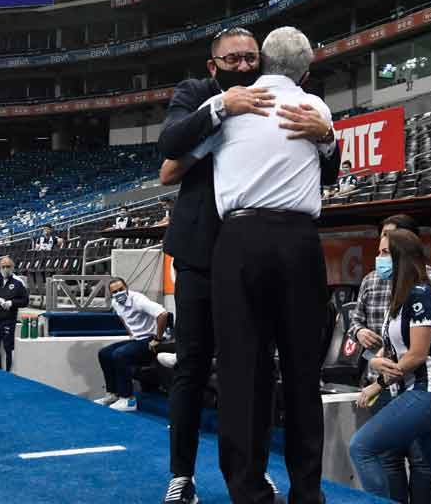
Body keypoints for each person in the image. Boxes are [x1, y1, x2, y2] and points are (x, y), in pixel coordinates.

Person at [155, 26, 339, 504]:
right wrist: (326, 137)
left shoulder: (230, 115)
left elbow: (168, 167)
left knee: (240, 372)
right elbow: (331, 171)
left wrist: (224, 121)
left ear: (263, 60)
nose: (242, 66)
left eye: (249, 57)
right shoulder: (314, 108)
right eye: (232, 59)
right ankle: (307, 492)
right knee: (300, 372)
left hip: (238, 240)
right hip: (289, 243)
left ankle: (248, 489)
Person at [349, 229, 431, 504]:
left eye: (384, 252)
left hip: (430, 391)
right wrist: (377, 359)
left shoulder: (420, 293)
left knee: (361, 447)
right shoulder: (400, 296)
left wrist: (376, 384)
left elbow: (418, 355)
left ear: (401, 257)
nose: (378, 258)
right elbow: (395, 347)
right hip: (419, 392)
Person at [94, 277, 169, 412]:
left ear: (127, 288)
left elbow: (163, 314)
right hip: (138, 339)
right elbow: (123, 318)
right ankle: (112, 393)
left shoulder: (138, 300)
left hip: (152, 339)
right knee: (104, 353)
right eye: (115, 292)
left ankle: (128, 399)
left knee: (120, 354)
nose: (118, 293)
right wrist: (132, 335)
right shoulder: (115, 303)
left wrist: (157, 338)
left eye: (121, 289)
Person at [0, 256, 27, 371]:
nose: (5, 269)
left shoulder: (18, 282)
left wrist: (12, 303)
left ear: (12, 267)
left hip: (8, 320)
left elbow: (25, 301)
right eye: (3, 267)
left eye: (8, 266)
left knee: (8, 348)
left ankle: (8, 372)